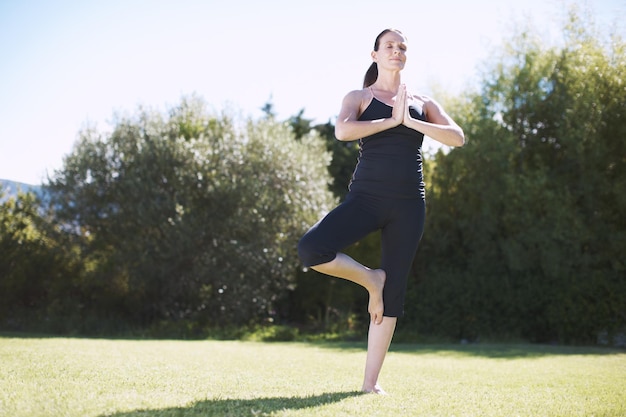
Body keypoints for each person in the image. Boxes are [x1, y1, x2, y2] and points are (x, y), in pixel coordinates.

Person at [297, 28, 464, 395]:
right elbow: (343, 130)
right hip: (366, 199)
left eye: (402, 46)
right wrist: (391, 120)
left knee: (394, 295)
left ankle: (369, 385)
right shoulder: (359, 96)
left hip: (408, 205)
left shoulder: (421, 101)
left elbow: (457, 136)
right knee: (311, 248)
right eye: (389, 45)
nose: (397, 50)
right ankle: (371, 279)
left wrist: (412, 121)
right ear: (375, 55)